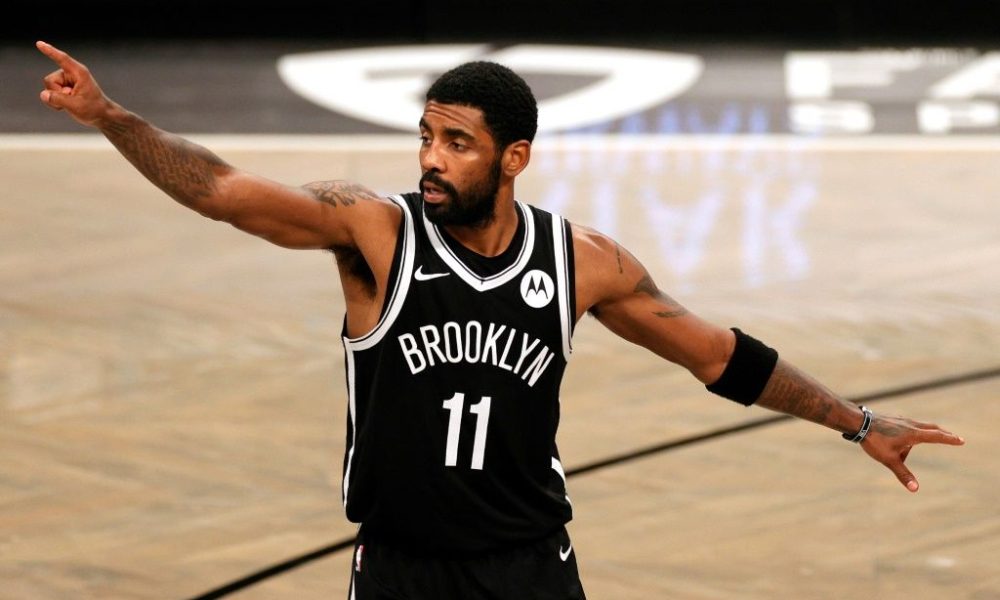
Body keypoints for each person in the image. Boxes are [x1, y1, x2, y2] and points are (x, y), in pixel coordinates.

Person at [36, 40, 964, 600]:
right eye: (426, 137)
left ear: (513, 156)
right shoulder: (377, 232)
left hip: (527, 571)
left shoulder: (582, 262)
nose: (430, 159)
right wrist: (115, 117)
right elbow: (227, 193)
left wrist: (858, 421)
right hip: (398, 570)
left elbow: (718, 356)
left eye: (457, 143)